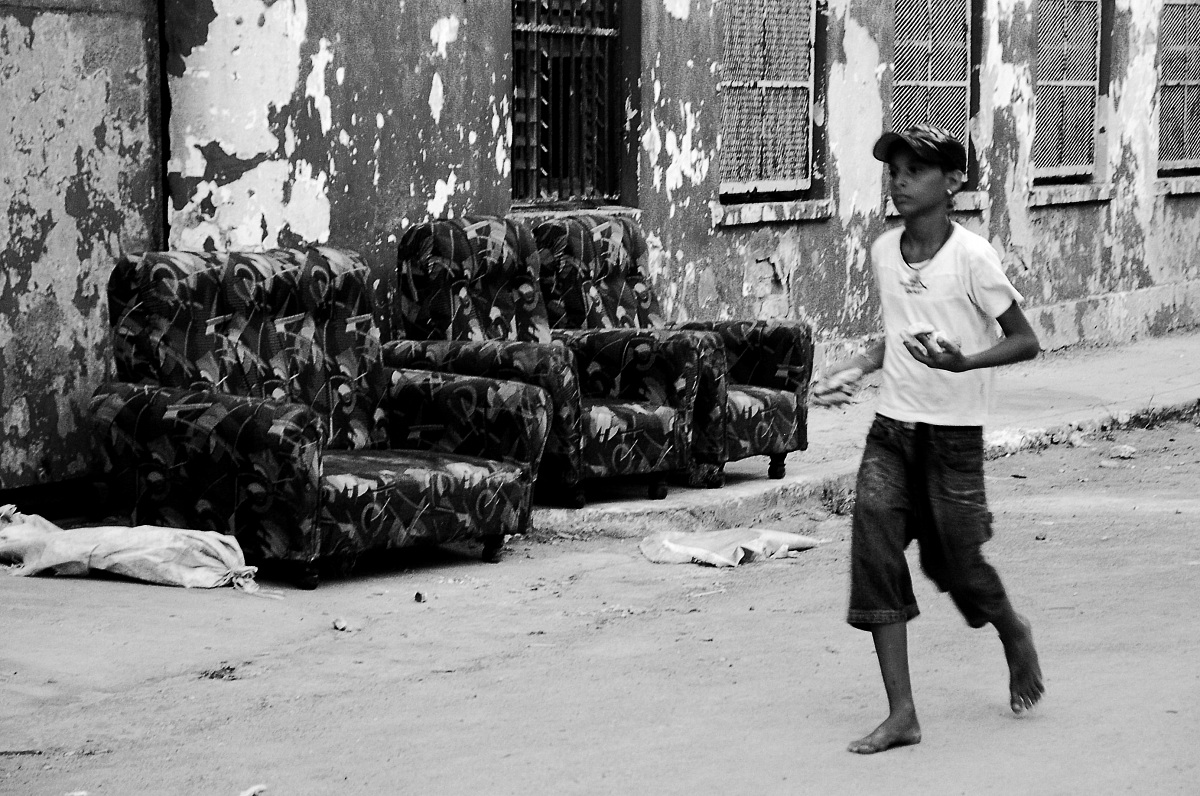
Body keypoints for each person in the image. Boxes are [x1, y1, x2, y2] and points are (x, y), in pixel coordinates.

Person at [812, 124, 1045, 755]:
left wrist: (963, 364)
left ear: (952, 182)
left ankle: (1011, 629)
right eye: (894, 169)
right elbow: (897, 335)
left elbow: (1026, 339)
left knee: (957, 566)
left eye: (915, 169)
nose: (899, 180)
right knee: (874, 548)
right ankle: (903, 713)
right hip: (892, 431)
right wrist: (854, 368)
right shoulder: (885, 251)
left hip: (952, 441)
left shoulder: (972, 257)